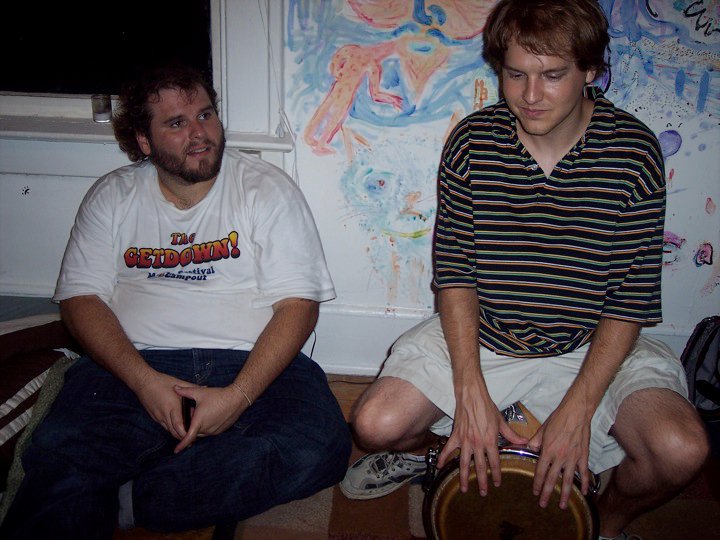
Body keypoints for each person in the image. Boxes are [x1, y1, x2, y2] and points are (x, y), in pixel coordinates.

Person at [340, 1, 709, 539]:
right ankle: (437, 456)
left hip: (590, 342)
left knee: (680, 449)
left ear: (590, 70)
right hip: (486, 337)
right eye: (516, 74)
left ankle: (601, 525)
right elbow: (456, 275)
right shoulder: (472, 143)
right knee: (375, 423)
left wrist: (579, 409)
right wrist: (469, 390)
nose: (530, 95)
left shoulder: (634, 153)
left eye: (552, 75)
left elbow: (629, 300)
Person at [0, 64, 351, 538]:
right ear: (144, 141)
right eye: (177, 123)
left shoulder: (265, 188)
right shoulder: (113, 195)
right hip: (134, 364)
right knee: (63, 451)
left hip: (250, 361)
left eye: (205, 115)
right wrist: (144, 382)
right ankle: (151, 472)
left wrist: (239, 396)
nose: (199, 133)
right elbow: (81, 301)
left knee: (319, 445)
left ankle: (133, 499)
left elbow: (298, 306)